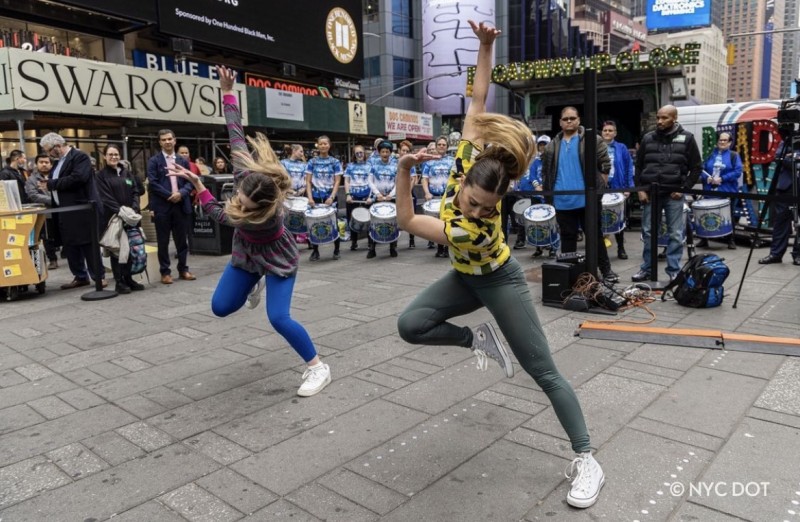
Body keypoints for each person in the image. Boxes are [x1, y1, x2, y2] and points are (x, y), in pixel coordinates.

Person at [394, 20, 604, 509]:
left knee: (542, 370)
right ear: (466, 177)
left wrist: (404, 172)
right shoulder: (466, 157)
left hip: (499, 280)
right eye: (472, 202)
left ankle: (587, 458)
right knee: (411, 325)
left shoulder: (469, 229)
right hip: (464, 277)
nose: (476, 211)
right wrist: (485, 46)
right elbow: (477, 100)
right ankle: (477, 339)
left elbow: (405, 220)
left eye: (488, 208)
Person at [168, 65, 331, 397]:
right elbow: (235, 133)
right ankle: (254, 280)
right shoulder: (247, 177)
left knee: (279, 318)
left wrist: (199, 185)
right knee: (221, 307)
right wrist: (228, 92)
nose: (237, 203)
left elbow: (218, 213)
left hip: (277, 256)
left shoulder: (260, 217)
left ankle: (318, 367)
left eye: (243, 204)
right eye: (238, 197)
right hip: (246, 254)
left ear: (260, 208)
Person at [541, 107, 618, 283]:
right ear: (560, 122)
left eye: (572, 118)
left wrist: (599, 186)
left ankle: (606, 271)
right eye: (565, 119)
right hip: (562, 200)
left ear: (578, 120)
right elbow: (546, 171)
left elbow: (605, 164)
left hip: (588, 200)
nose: (569, 121)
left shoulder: (592, 140)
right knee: (567, 239)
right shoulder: (552, 145)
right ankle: (572, 275)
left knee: (595, 236)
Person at [633, 105, 702, 282]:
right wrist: (640, 189)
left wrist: (683, 188)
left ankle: (673, 270)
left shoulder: (687, 138)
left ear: (674, 118)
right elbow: (638, 166)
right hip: (650, 193)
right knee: (648, 233)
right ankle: (647, 269)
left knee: (675, 234)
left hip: (674, 194)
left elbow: (696, 167)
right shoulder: (648, 138)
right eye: (658, 117)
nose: (659, 121)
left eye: (664, 118)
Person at [39, 133, 107, 289]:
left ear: (57, 146)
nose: (48, 154)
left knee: (88, 244)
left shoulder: (79, 157)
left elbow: (78, 178)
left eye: (49, 150)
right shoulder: (58, 162)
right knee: (70, 245)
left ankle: (98, 276)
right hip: (64, 210)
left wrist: (51, 184)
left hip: (81, 209)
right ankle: (80, 276)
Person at [146, 129, 196, 284]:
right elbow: (153, 183)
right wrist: (170, 195)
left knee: (182, 240)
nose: (167, 142)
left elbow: (190, 181)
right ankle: (165, 272)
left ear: (175, 140)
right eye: (164, 140)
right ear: (159, 142)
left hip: (181, 205)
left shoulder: (183, 161)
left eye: (169, 139)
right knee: (163, 241)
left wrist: (180, 193)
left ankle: (183, 269)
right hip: (162, 206)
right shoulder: (154, 161)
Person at [96, 145, 145, 294]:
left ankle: (129, 278)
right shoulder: (100, 176)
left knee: (131, 248)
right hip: (113, 218)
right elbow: (105, 197)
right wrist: (120, 211)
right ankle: (120, 282)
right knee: (117, 250)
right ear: (105, 156)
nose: (114, 157)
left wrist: (134, 208)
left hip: (130, 217)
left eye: (116, 154)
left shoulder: (127, 173)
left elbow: (135, 191)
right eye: (110, 154)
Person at [697, 131, 742, 250]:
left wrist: (722, 178)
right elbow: (702, 169)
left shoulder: (734, 155)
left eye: (725, 140)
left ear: (730, 143)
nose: (722, 142)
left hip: (727, 190)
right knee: (707, 213)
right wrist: (706, 178)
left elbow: (737, 172)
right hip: (710, 190)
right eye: (720, 140)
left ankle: (731, 239)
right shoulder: (711, 154)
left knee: (728, 215)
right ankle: (704, 239)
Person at [758, 138, 800, 265]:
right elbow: (779, 157)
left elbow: (789, 159)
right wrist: (794, 159)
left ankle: (798, 255)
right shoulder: (790, 138)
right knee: (781, 222)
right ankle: (776, 254)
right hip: (786, 188)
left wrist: (793, 157)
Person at [305, 135, 343, 261]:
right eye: (320, 144)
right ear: (318, 145)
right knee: (314, 223)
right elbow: (308, 181)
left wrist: (332, 196)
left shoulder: (335, 162)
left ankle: (336, 249)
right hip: (316, 197)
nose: (323, 146)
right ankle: (315, 251)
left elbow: (337, 181)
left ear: (329, 145)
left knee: (333, 222)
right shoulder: (312, 162)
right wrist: (310, 198)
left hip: (330, 197)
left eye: (325, 143)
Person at [601, 121, 635, 259]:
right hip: (601, 188)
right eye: (605, 130)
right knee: (600, 218)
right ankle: (600, 250)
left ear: (615, 133)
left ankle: (621, 248)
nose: (607, 132)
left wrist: (628, 187)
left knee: (618, 218)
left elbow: (629, 168)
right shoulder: (596, 147)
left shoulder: (621, 147)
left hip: (617, 187)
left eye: (610, 130)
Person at [25, 154, 59, 269]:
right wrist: (54, 200)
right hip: (45, 213)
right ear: (36, 164)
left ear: (51, 164)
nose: (44, 164)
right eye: (41, 162)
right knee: (47, 237)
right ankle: (52, 259)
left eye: (46, 162)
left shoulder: (56, 176)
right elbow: (33, 195)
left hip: (61, 211)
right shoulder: (32, 179)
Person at [421, 135, 454, 257]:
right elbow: (424, 179)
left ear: (447, 147)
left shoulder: (452, 161)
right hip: (434, 197)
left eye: (443, 145)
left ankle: (447, 247)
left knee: (447, 222)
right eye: (439, 144)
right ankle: (439, 247)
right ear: (435, 146)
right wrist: (426, 192)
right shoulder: (429, 162)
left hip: (448, 197)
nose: (441, 146)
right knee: (436, 224)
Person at [367, 140, 399, 258]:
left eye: (387, 151)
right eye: (383, 151)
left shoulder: (395, 166)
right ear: (379, 152)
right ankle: (372, 248)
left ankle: (392, 247)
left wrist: (391, 194)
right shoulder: (374, 166)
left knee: (392, 222)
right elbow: (370, 181)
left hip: (391, 197)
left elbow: (398, 182)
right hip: (377, 198)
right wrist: (377, 194)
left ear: (390, 152)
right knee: (373, 222)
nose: (385, 154)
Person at [343, 144, 374, 251]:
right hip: (352, 197)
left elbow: (373, 182)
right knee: (352, 219)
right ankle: (354, 242)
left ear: (364, 153)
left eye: (361, 152)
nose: (359, 155)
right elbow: (347, 181)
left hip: (366, 196)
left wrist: (370, 197)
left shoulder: (370, 166)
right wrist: (347, 195)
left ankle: (370, 242)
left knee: (369, 220)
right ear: (354, 155)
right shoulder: (350, 166)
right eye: (357, 153)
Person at [397, 140, 419, 249]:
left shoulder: (411, 163)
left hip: (409, 192)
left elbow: (413, 179)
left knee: (411, 217)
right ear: (399, 151)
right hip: (396, 193)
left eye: (407, 151)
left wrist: (406, 191)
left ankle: (411, 239)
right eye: (403, 150)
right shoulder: (394, 163)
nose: (405, 153)